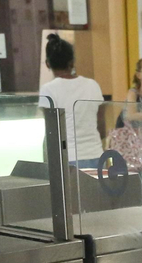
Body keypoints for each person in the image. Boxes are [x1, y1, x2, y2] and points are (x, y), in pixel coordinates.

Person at [38, 33, 105, 168]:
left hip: (68, 158)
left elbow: (51, 131)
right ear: (72, 62)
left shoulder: (49, 89)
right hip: (96, 155)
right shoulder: (92, 84)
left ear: (47, 63)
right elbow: (101, 126)